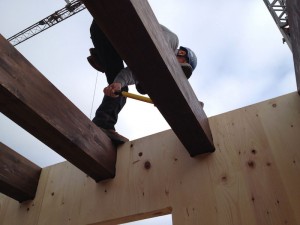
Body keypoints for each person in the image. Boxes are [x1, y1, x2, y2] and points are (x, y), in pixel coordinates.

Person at [88, 19, 197, 143]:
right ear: (182, 53)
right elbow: (146, 63)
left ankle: (102, 124)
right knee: (131, 78)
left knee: (119, 88)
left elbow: (135, 70)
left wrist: (119, 83)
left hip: (107, 41)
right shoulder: (171, 41)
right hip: (111, 23)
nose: (175, 72)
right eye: (180, 66)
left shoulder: (152, 62)